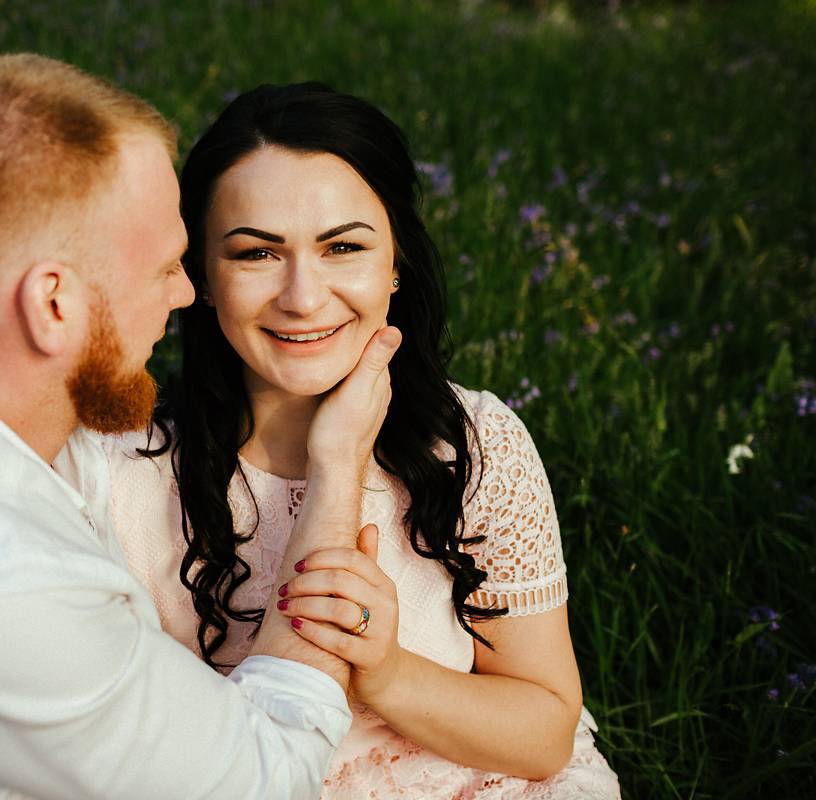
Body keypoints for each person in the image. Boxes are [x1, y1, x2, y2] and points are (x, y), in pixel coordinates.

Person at [0, 56, 403, 799]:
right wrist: (338, 462)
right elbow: (270, 775)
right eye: (163, 269)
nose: (187, 294)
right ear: (53, 306)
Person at [106, 83, 622, 798]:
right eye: (256, 254)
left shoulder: (473, 445)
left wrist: (388, 670)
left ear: (396, 262)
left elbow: (543, 733)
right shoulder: (124, 473)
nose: (303, 297)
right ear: (204, 278)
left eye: (342, 247)